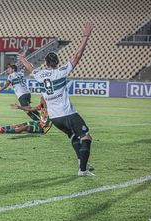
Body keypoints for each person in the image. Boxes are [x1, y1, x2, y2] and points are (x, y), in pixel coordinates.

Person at [18, 22, 94, 176]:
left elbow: (30, 68)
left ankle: (81, 161)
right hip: (68, 113)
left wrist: (22, 59)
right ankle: (83, 169)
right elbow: (77, 56)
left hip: (54, 117)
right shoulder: (61, 71)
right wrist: (85, 36)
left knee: (72, 136)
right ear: (57, 62)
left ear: (46, 63)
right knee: (86, 136)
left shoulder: (40, 74)